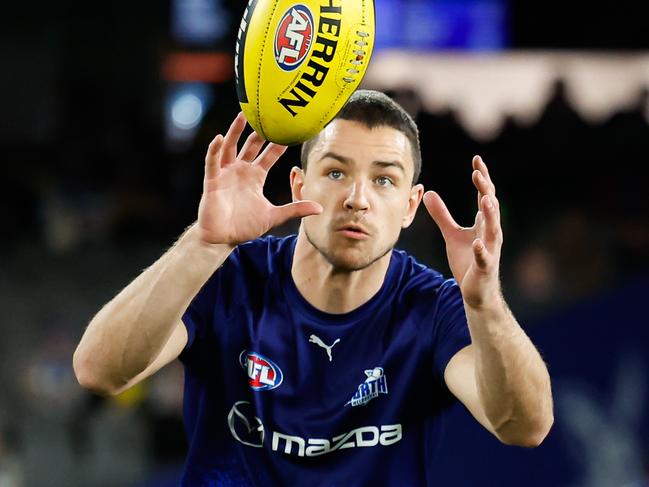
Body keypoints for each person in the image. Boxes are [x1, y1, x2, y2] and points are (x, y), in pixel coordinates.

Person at [73, 90, 553, 486]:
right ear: (300, 184)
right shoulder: (228, 278)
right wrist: (202, 244)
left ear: (410, 208)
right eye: (336, 172)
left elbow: (525, 426)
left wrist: (486, 304)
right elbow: (100, 371)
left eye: (384, 180)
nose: (357, 199)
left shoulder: (432, 307)